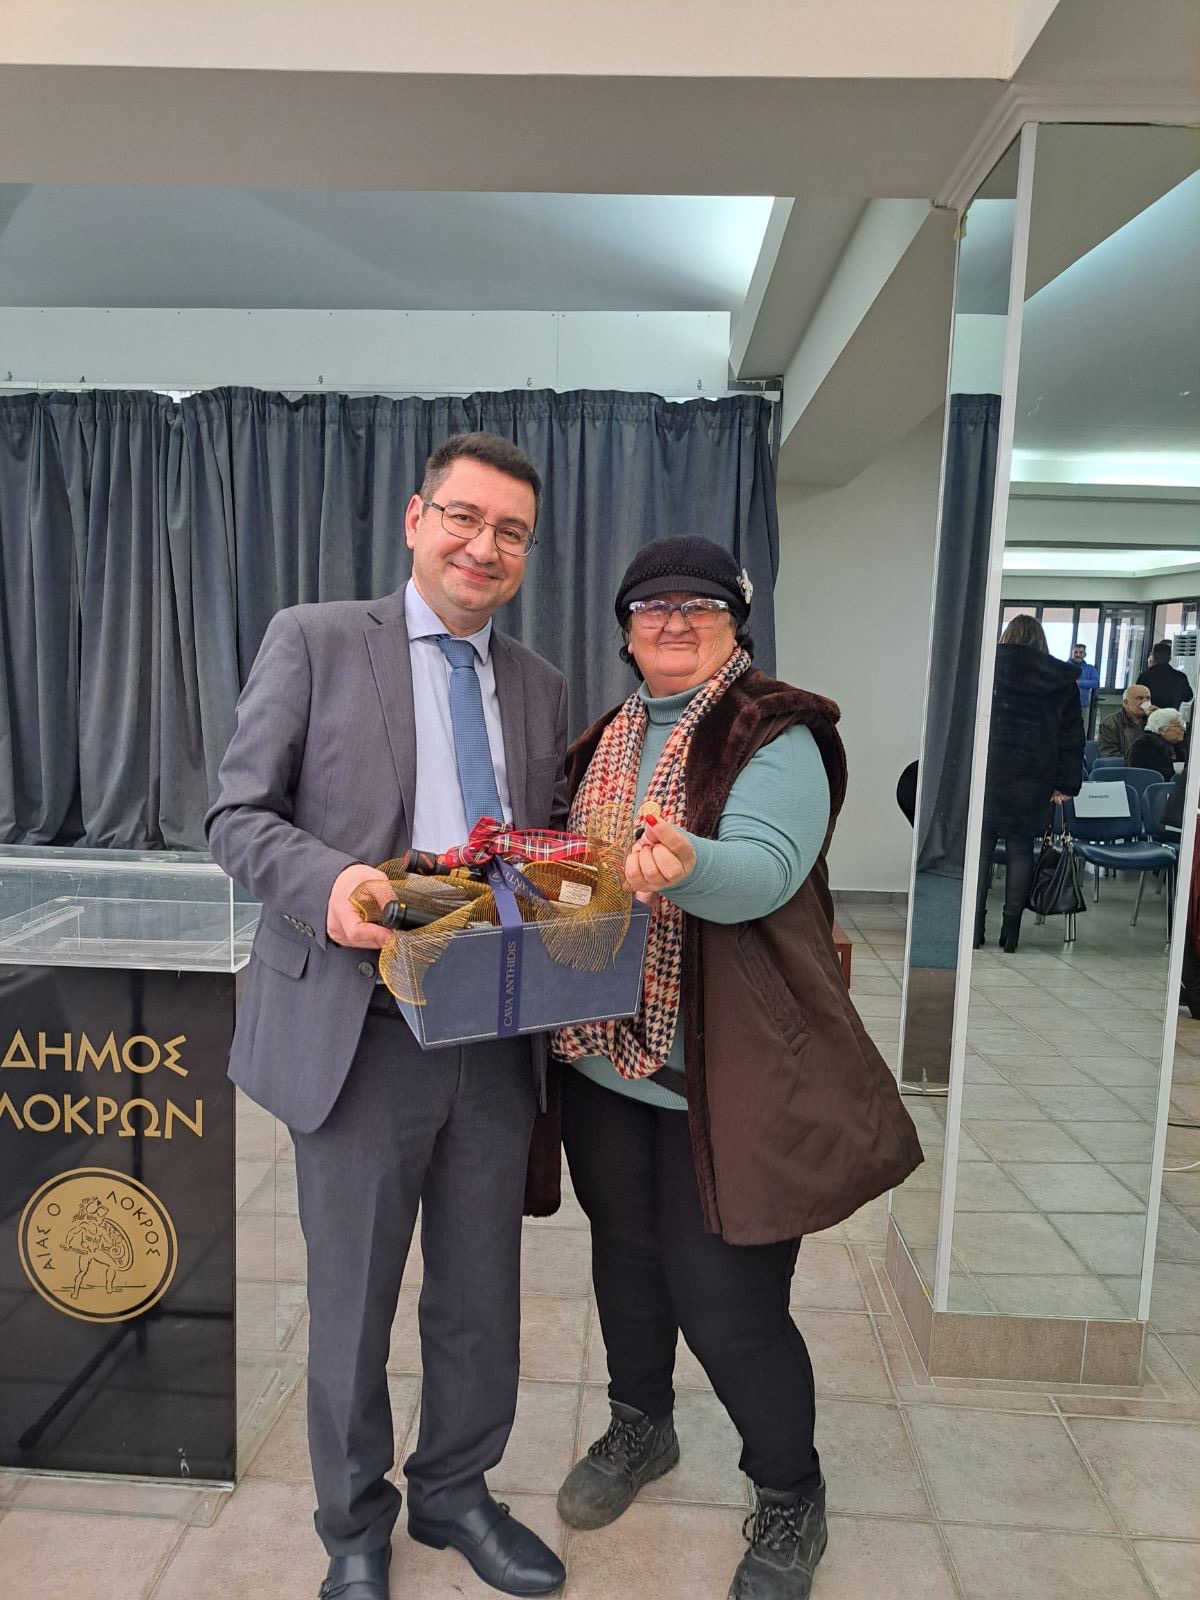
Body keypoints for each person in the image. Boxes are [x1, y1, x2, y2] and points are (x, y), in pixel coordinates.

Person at [205, 434, 569, 1600]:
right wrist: (331, 883)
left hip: (493, 1033)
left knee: (479, 1294)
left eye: (511, 531)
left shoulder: (540, 684)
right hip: (359, 1032)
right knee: (353, 1302)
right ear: (416, 518)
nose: (484, 546)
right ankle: (354, 1524)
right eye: (465, 516)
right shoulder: (314, 640)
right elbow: (235, 816)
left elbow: (543, 849)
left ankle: (455, 1490)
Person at [534, 537, 922, 1600]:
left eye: (698, 606)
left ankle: (791, 1489)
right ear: (625, 630)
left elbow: (762, 873)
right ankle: (640, 1425)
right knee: (626, 1262)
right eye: (651, 606)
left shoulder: (773, 730)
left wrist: (687, 862)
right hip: (604, 1059)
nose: (672, 620)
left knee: (728, 1303)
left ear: (735, 625)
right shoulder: (604, 737)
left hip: (726, 1072)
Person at [975, 614, 1084, 953]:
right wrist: (1065, 784)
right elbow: (1071, 738)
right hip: (1035, 777)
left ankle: (974, 929)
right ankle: (1011, 933)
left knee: (980, 849)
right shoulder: (1060, 680)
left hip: (989, 771)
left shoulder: (987, 667)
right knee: (1021, 851)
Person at [1097, 682, 1154, 761]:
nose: (1145, 702)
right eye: (1140, 698)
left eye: (1148, 698)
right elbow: (1109, 754)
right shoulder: (1111, 723)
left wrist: (1160, 718)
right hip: (1121, 766)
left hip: (1150, 766)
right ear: (1126, 703)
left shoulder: (1153, 721)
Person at [1130, 706, 1187, 780]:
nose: (1183, 728)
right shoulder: (1146, 745)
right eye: (1177, 725)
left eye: (1182, 724)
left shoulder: (1177, 746)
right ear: (1162, 730)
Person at [1138, 639, 1194, 712]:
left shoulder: (1145, 676)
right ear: (1169, 659)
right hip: (1171, 717)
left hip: (1150, 717)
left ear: (1153, 657)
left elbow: (1136, 696)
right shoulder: (1181, 677)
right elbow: (1188, 697)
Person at [1071, 642, 1100, 719]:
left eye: (1081, 652)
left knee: (1083, 726)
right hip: (1065, 705)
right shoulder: (1064, 667)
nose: (1078, 655)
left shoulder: (1090, 669)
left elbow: (1096, 683)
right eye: (1075, 652)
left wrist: (1079, 682)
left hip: (1083, 706)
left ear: (1085, 654)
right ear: (1072, 653)